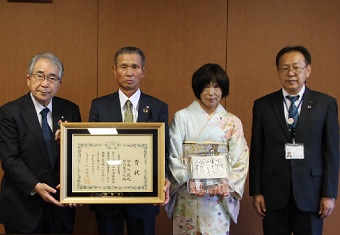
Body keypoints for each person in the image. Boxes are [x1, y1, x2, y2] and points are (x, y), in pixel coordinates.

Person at [249, 45, 339, 235]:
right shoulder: (263, 105)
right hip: (274, 194)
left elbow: (332, 152)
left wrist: (329, 194)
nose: (291, 73)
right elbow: (257, 151)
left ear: (308, 70)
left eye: (296, 67)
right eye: (285, 68)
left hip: (311, 194)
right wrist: (256, 191)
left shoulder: (325, 104)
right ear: (278, 72)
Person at [89, 46, 170, 235]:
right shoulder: (99, 106)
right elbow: (92, 149)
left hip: (144, 196)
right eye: (123, 66)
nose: (129, 73)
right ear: (114, 70)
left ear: (143, 71)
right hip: (107, 196)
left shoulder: (158, 107)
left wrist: (163, 176)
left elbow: (163, 149)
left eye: (135, 67)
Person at [0, 52, 81, 234]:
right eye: (40, 76)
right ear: (28, 79)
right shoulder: (9, 112)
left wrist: (77, 188)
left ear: (59, 83)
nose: (45, 84)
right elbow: (9, 159)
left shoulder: (70, 110)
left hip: (61, 207)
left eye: (52, 78)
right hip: (23, 206)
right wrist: (35, 186)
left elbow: (79, 156)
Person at [166, 63, 249, 234]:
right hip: (188, 192)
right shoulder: (182, 117)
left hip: (217, 196)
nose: (211, 93)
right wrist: (189, 180)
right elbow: (173, 153)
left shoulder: (232, 122)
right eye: (206, 87)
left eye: (216, 87)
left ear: (223, 89)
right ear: (198, 89)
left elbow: (240, 158)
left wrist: (226, 184)